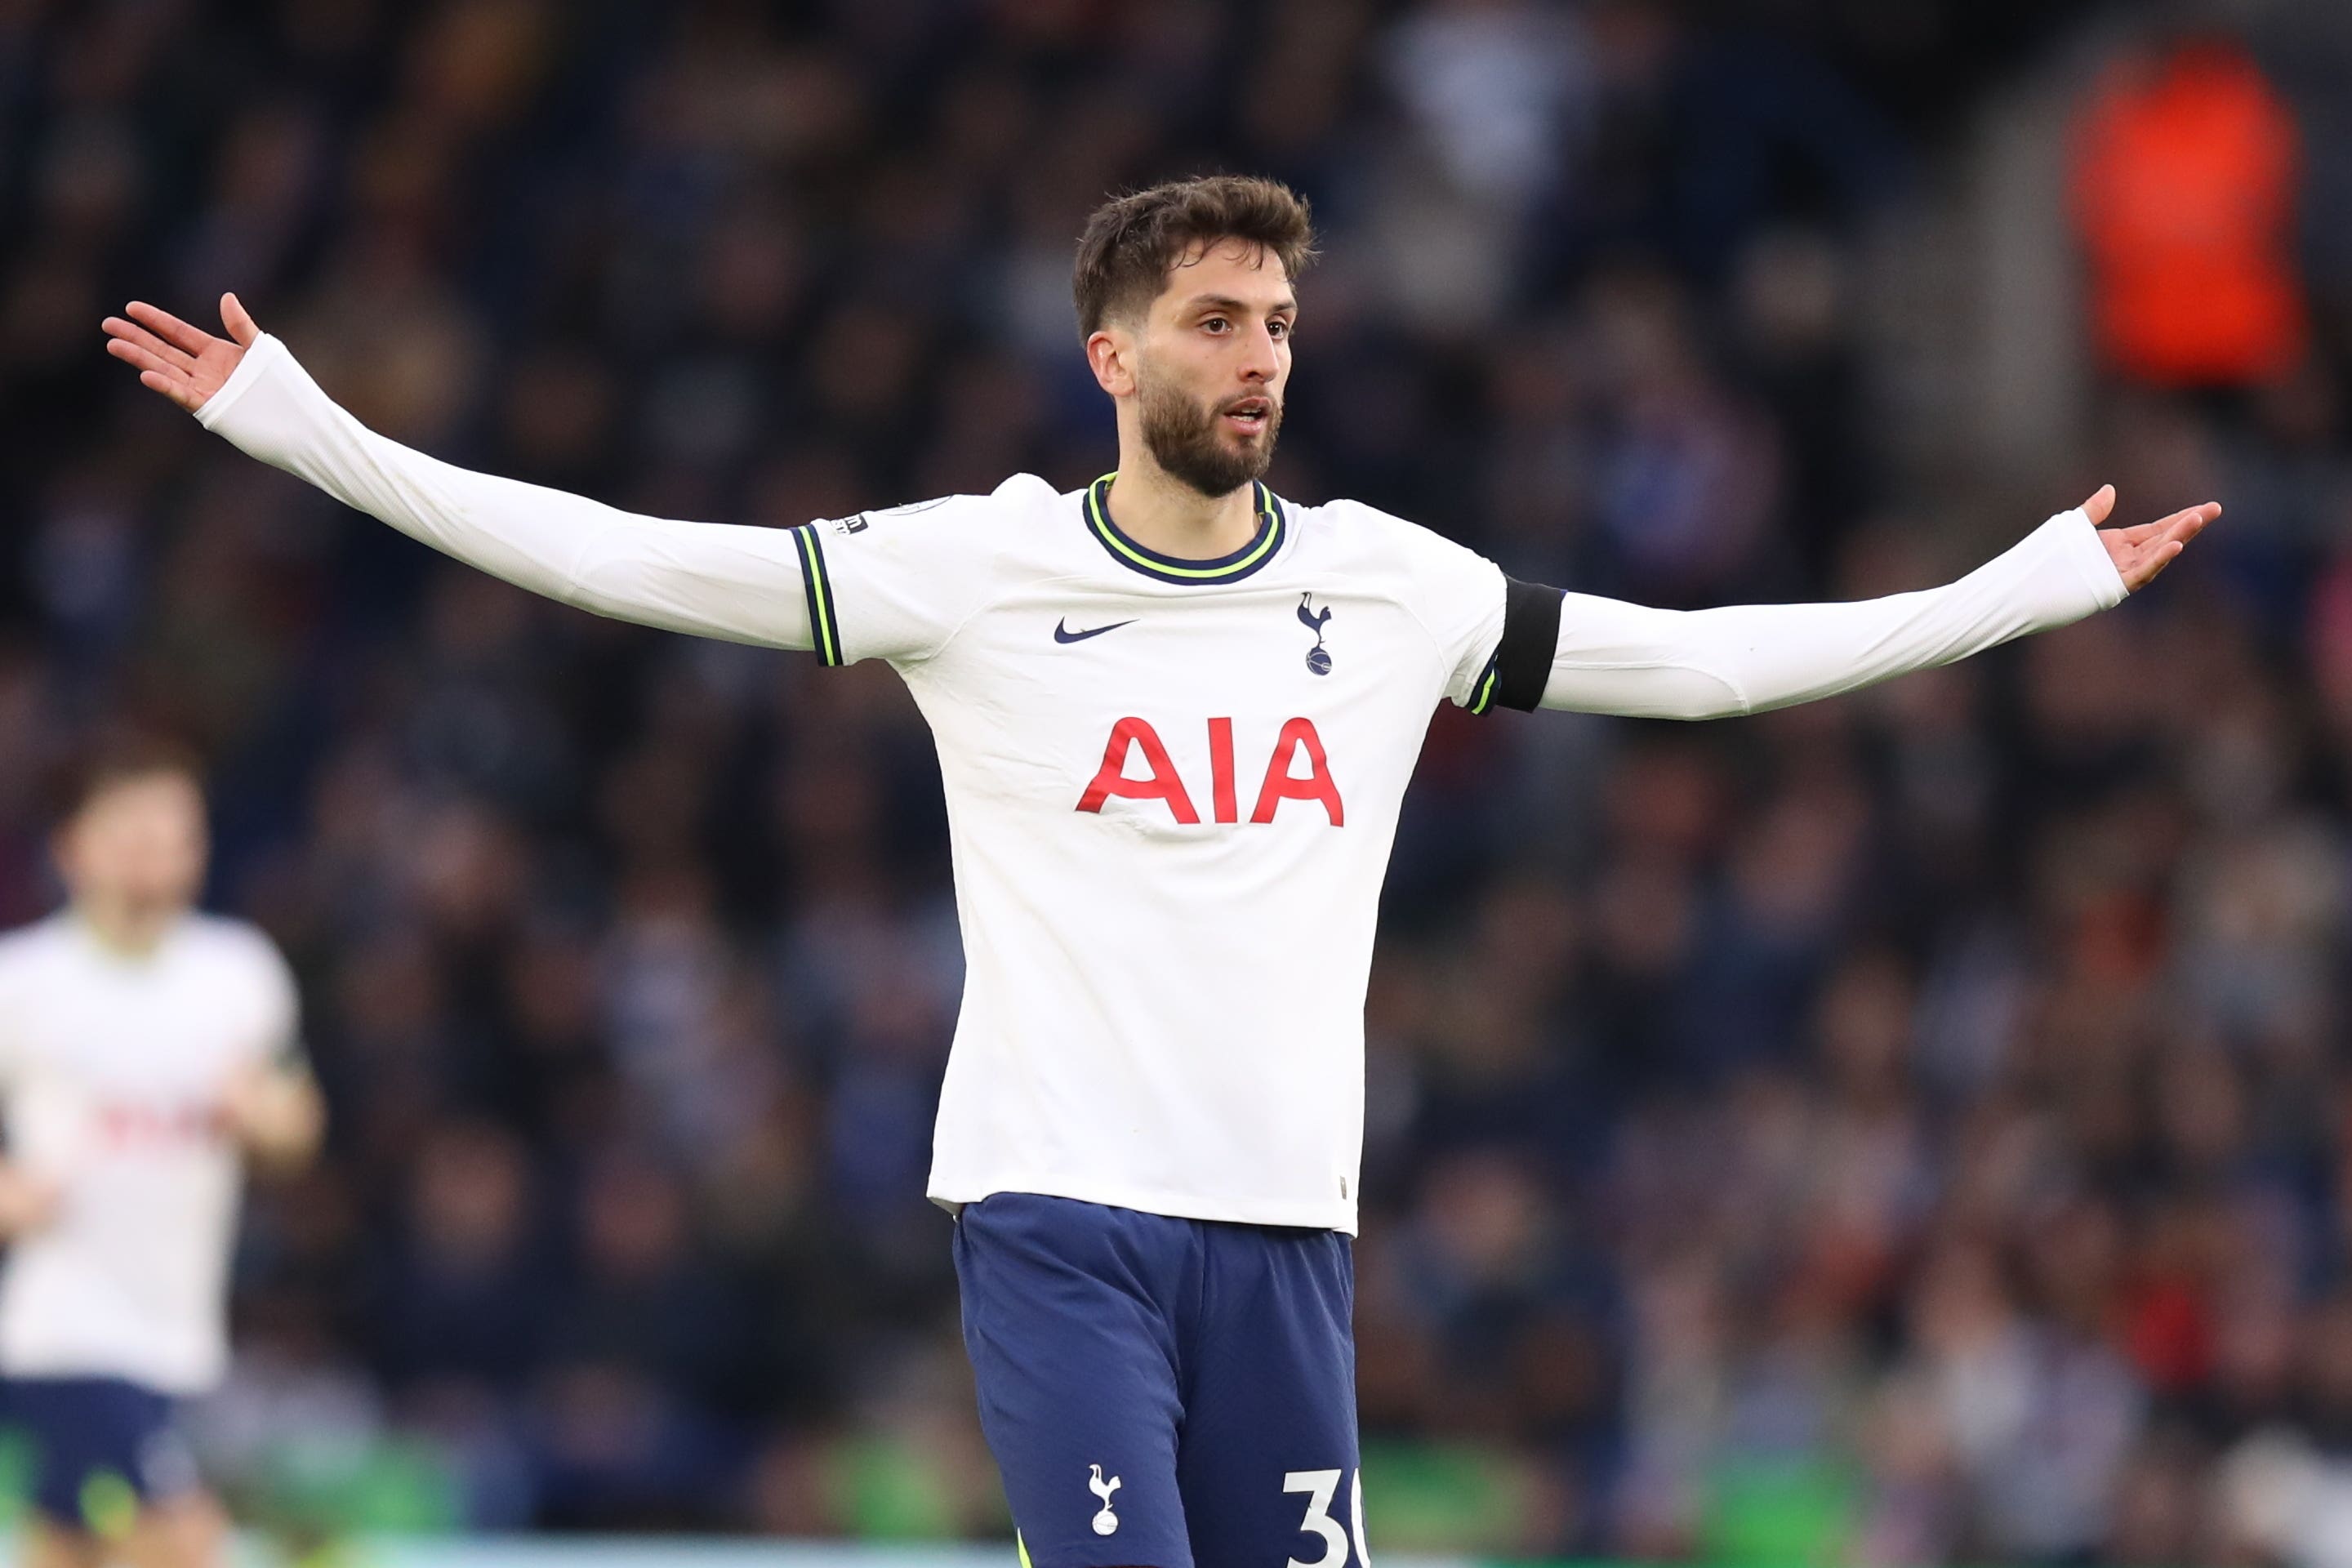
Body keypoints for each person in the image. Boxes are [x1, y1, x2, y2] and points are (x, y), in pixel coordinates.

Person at [101, 174, 2214, 1568]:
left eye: (1279, 320)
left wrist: (2025, 587)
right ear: (1115, 360)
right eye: (1215, 321)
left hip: (1289, 1229)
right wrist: (304, 424)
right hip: (1062, 1216)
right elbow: (625, 559)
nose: (1260, 355)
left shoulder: (1394, 590)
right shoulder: (983, 570)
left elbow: (1714, 671)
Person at [0, 738, 325, 1568]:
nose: (156, 859)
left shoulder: (240, 975)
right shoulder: (25, 981)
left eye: (175, 838)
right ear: (74, 847)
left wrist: (267, 1120)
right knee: (183, 1542)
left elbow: (298, 1120)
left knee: (69, 1552)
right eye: (133, 836)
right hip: (66, 1330)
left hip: (177, 1330)